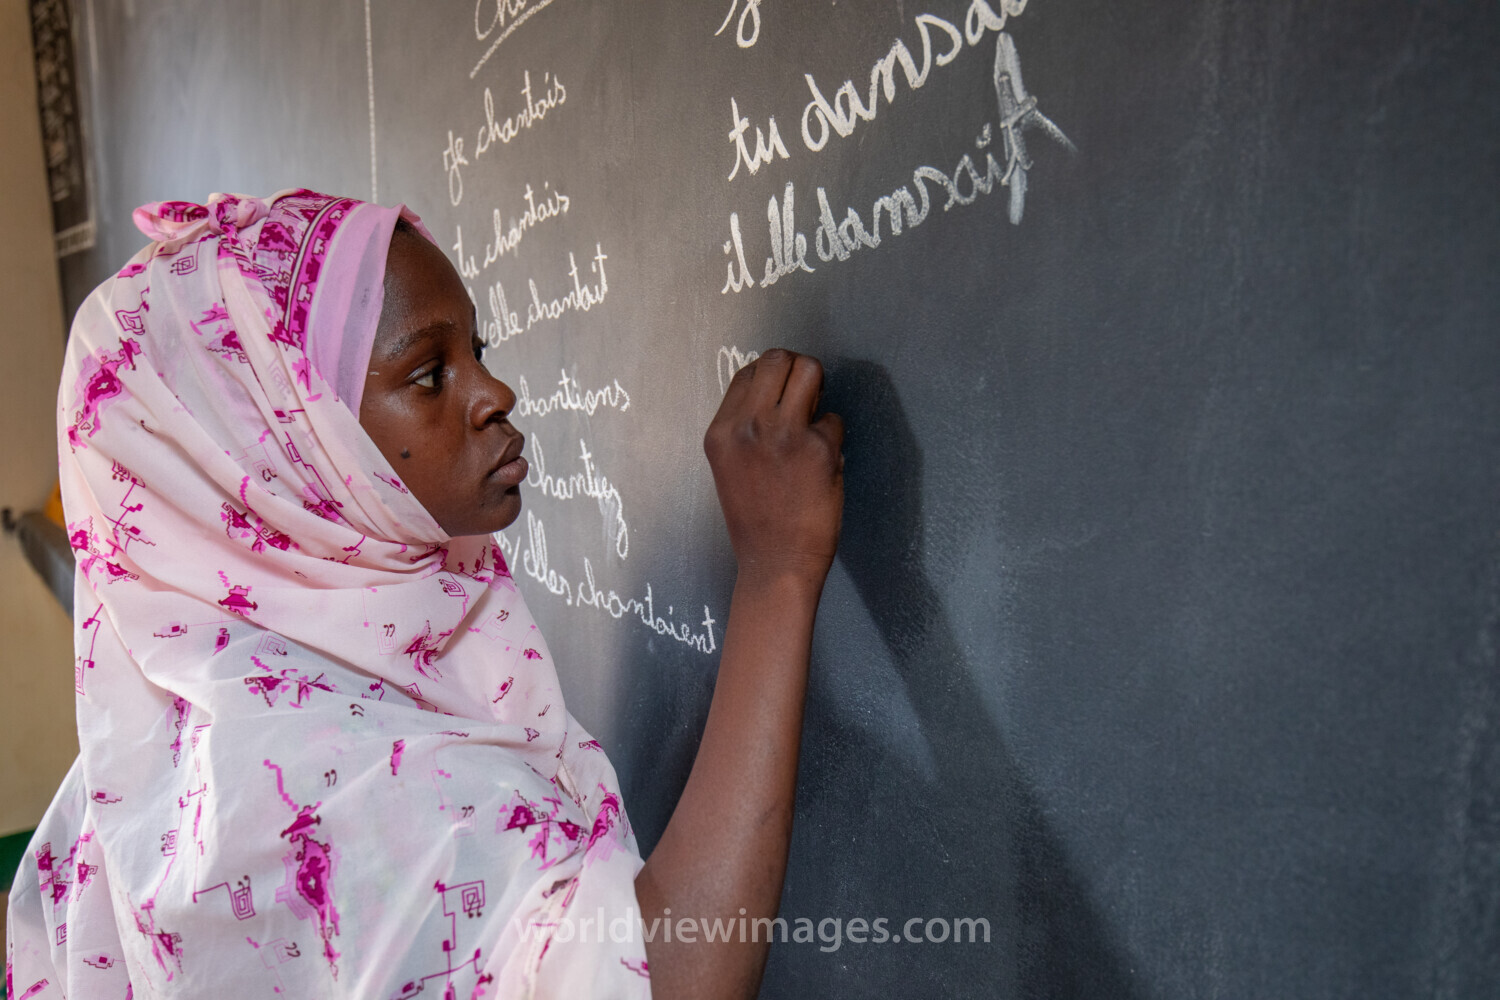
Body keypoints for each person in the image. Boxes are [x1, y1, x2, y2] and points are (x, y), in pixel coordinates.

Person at [5, 190, 843, 999]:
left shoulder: (166, 739)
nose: (495, 395)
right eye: (428, 374)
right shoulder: (335, 778)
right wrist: (776, 576)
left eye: (478, 351)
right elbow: (665, 983)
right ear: (279, 453)